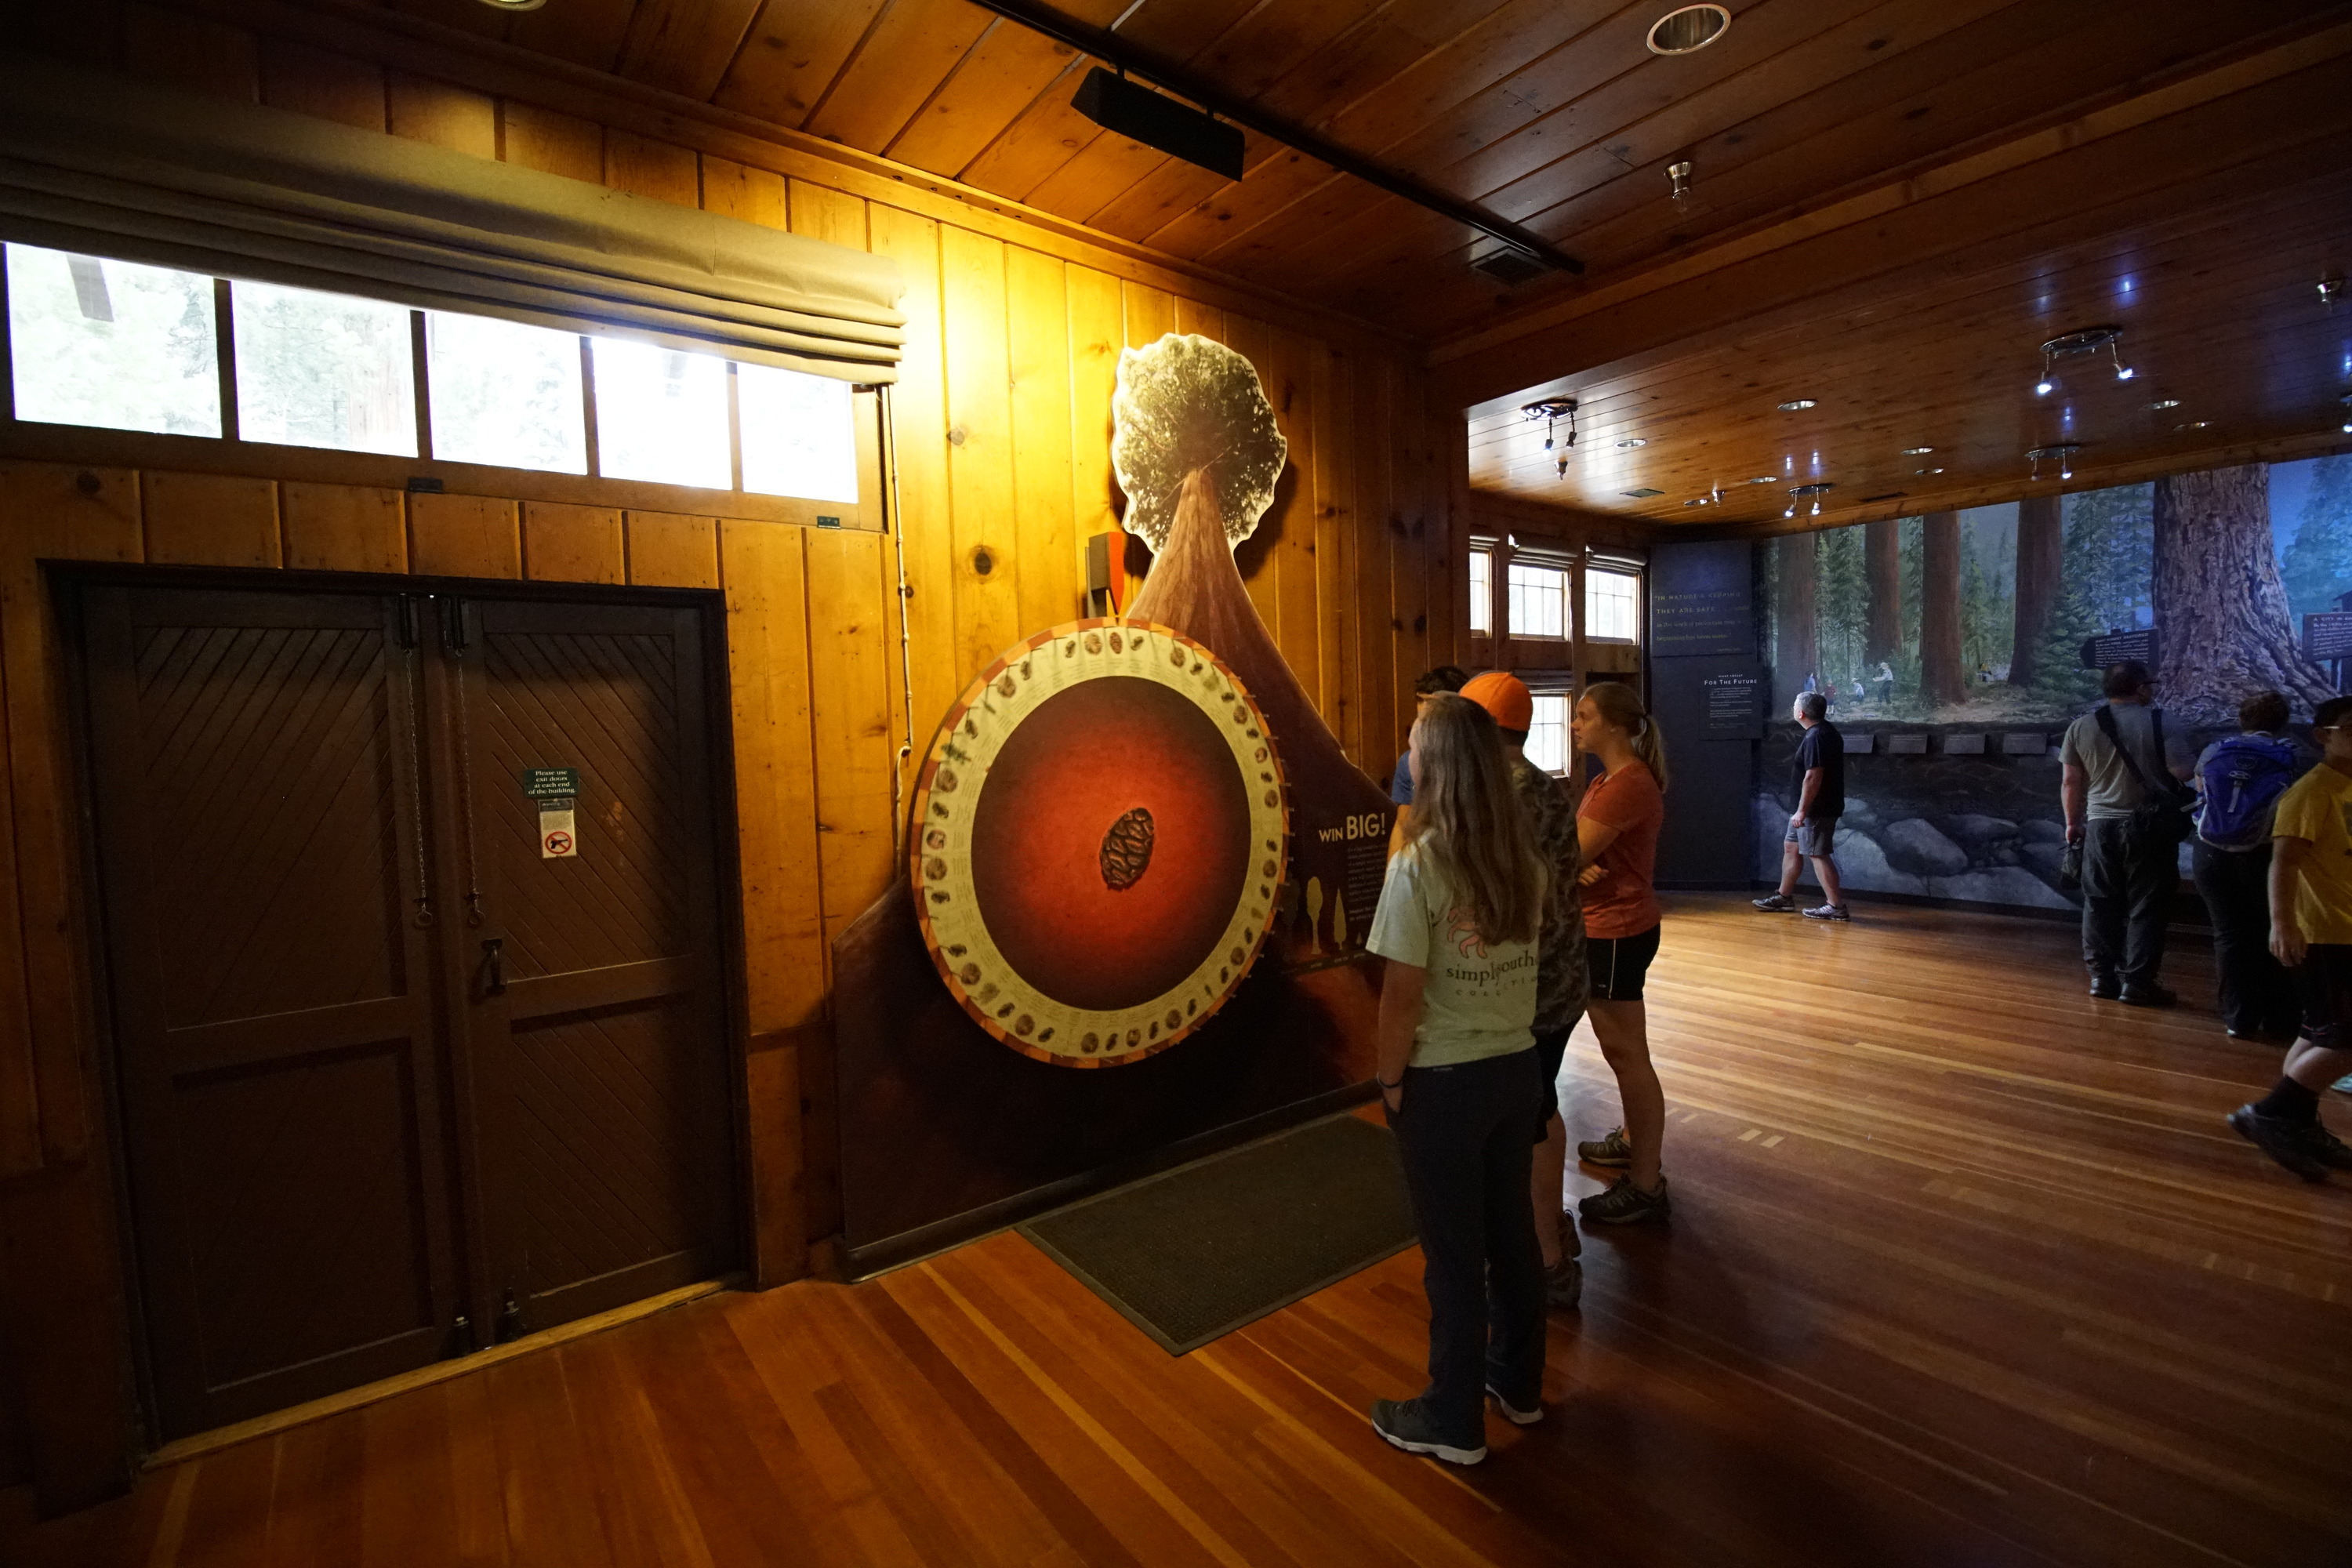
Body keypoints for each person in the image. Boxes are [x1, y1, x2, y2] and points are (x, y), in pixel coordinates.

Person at [1366, 693, 1550, 1465]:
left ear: (1434, 762)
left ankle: (1452, 1418)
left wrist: (1389, 1081)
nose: (1407, 753)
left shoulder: (1419, 866)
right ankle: (1519, 1382)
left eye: (1414, 741)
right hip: (1516, 1069)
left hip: (1444, 1082)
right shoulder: (1523, 860)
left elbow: (1400, 996)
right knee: (1512, 1237)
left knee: (1452, 1255)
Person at [1461, 672, 1588, 1310]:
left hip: (1526, 992)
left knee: (1525, 1122)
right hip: (1560, 981)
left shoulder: (1502, 796)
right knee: (1542, 1105)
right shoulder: (1538, 784)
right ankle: (1552, 1228)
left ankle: (1545, 1264)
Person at [2226, 695, 2352, 1180]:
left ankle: (2298, 1122)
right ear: (2323, 737)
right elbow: (2284, 862)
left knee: (2317, 1031)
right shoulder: (2311, 791)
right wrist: (2282, 925)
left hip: (2345, 927)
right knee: (2345, 1039)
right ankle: (2270, 1115)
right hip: (2325, 930)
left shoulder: (2346, 788)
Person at [1567, 681, 1672, 1225]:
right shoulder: (1607, 781)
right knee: (1625, 1053)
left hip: (1615, 932)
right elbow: (1570, 850)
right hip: (1611, 929)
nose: (1575, 724)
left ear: (1613, 724)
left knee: (1627, 1055)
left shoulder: (1626, 785)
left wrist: (1570, 860)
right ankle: (1633, 1141)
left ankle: (1646, 1184)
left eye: (1584, 715)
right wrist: (1572, 859)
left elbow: (1566, 851)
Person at [2060, 660, 2194, 1005]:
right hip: (2149, 827)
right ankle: (2137, 982)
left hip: (2100, 826)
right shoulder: (2162, 721)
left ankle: (2101, 979)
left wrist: (2073, 823)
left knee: (2099, 903)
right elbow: (2181, 772)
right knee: (2147, 906)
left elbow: (2071, 781)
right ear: (2140, 688)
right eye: (2149, 684)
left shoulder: (2081, 726)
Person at [2190, 691, 2312, 1040]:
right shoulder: (2297, 756)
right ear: (2283, 723)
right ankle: (2281, 1020)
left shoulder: (2214, 751)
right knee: (2276, 930)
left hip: (2211, 853)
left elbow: (2203, 792)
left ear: (2241, 719)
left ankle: (2238, 1019)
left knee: (2229, 935)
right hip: (2267, 854)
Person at [1755, 691, 1848, 920]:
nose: (1794, 708)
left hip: (1815, 809)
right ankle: (1783, 897)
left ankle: (1836, 906)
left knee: (1818, 854)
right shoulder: (1821, 732)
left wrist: (1802, 811)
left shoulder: (1817, 736)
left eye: (1795, 705)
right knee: (1791, 847)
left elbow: (1813, 776)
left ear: (1801, 713)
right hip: (1807, 809)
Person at [1389, 666, 1469, 851]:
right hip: (1424, 859)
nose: (1424, 709)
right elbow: (1402, 825)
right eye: (1420, 700)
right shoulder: (1408, 762)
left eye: (1432, 702)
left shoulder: (1478, 760)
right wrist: (1393, 868)